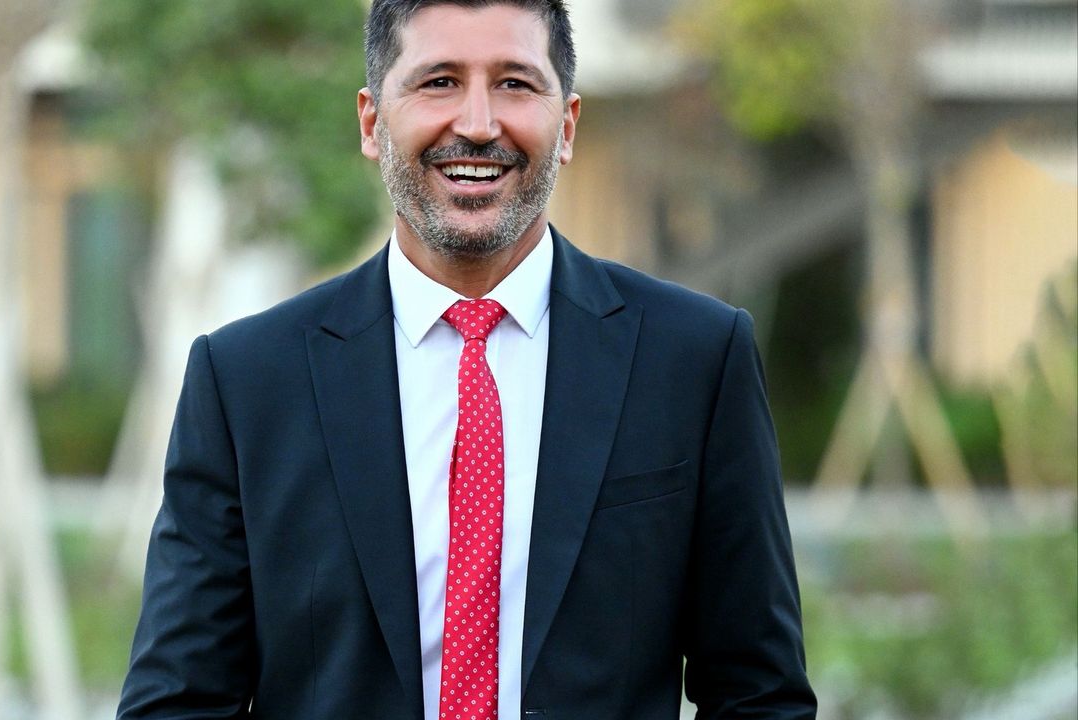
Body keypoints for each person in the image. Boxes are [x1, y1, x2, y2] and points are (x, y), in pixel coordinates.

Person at [117, 1, 816, 718]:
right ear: (371, 123)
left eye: (515, 83)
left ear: (567, 125)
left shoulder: (694, 360)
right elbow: (178, 702)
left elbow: (758, 694)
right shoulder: (247, 381)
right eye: (438, 82)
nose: (478, 124)